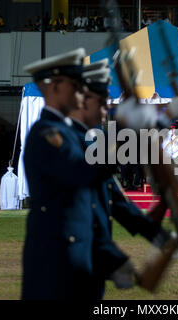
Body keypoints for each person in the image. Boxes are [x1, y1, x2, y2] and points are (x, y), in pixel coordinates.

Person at [69, 59, 170, 298]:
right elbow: (88, 177)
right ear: (83, 100)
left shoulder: (89, 135)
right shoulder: (61, 137)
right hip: (67, 267)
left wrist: (157, 235)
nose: (106, 110)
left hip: (91, 262)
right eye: (102, 103)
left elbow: (112, 196)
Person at [21, 48, 117, 300]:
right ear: (53, 87)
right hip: (53, 263)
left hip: (71, 258)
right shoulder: (47, 135)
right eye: (75, 85)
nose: (81, 92)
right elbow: (83, 173)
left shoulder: (68, 133)